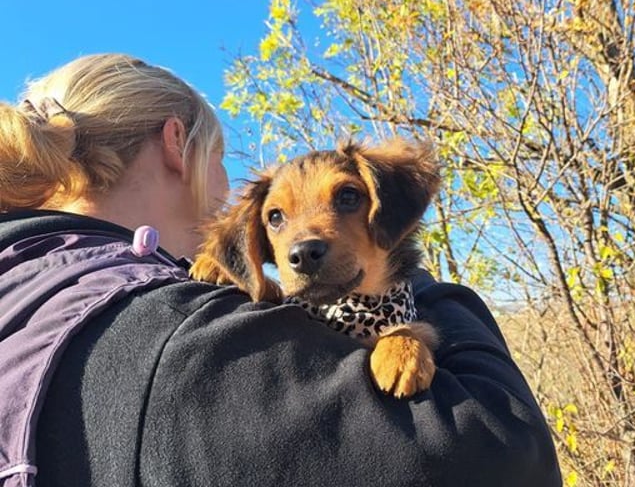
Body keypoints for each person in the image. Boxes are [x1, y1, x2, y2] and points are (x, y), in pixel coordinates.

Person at [0, 53, 562, 487]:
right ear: (177, 143)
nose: (301, 241)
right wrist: (439, 298)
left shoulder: (23, 297)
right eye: (220, 160)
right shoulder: (178, 334)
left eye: (343, 199)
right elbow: (505, 455)